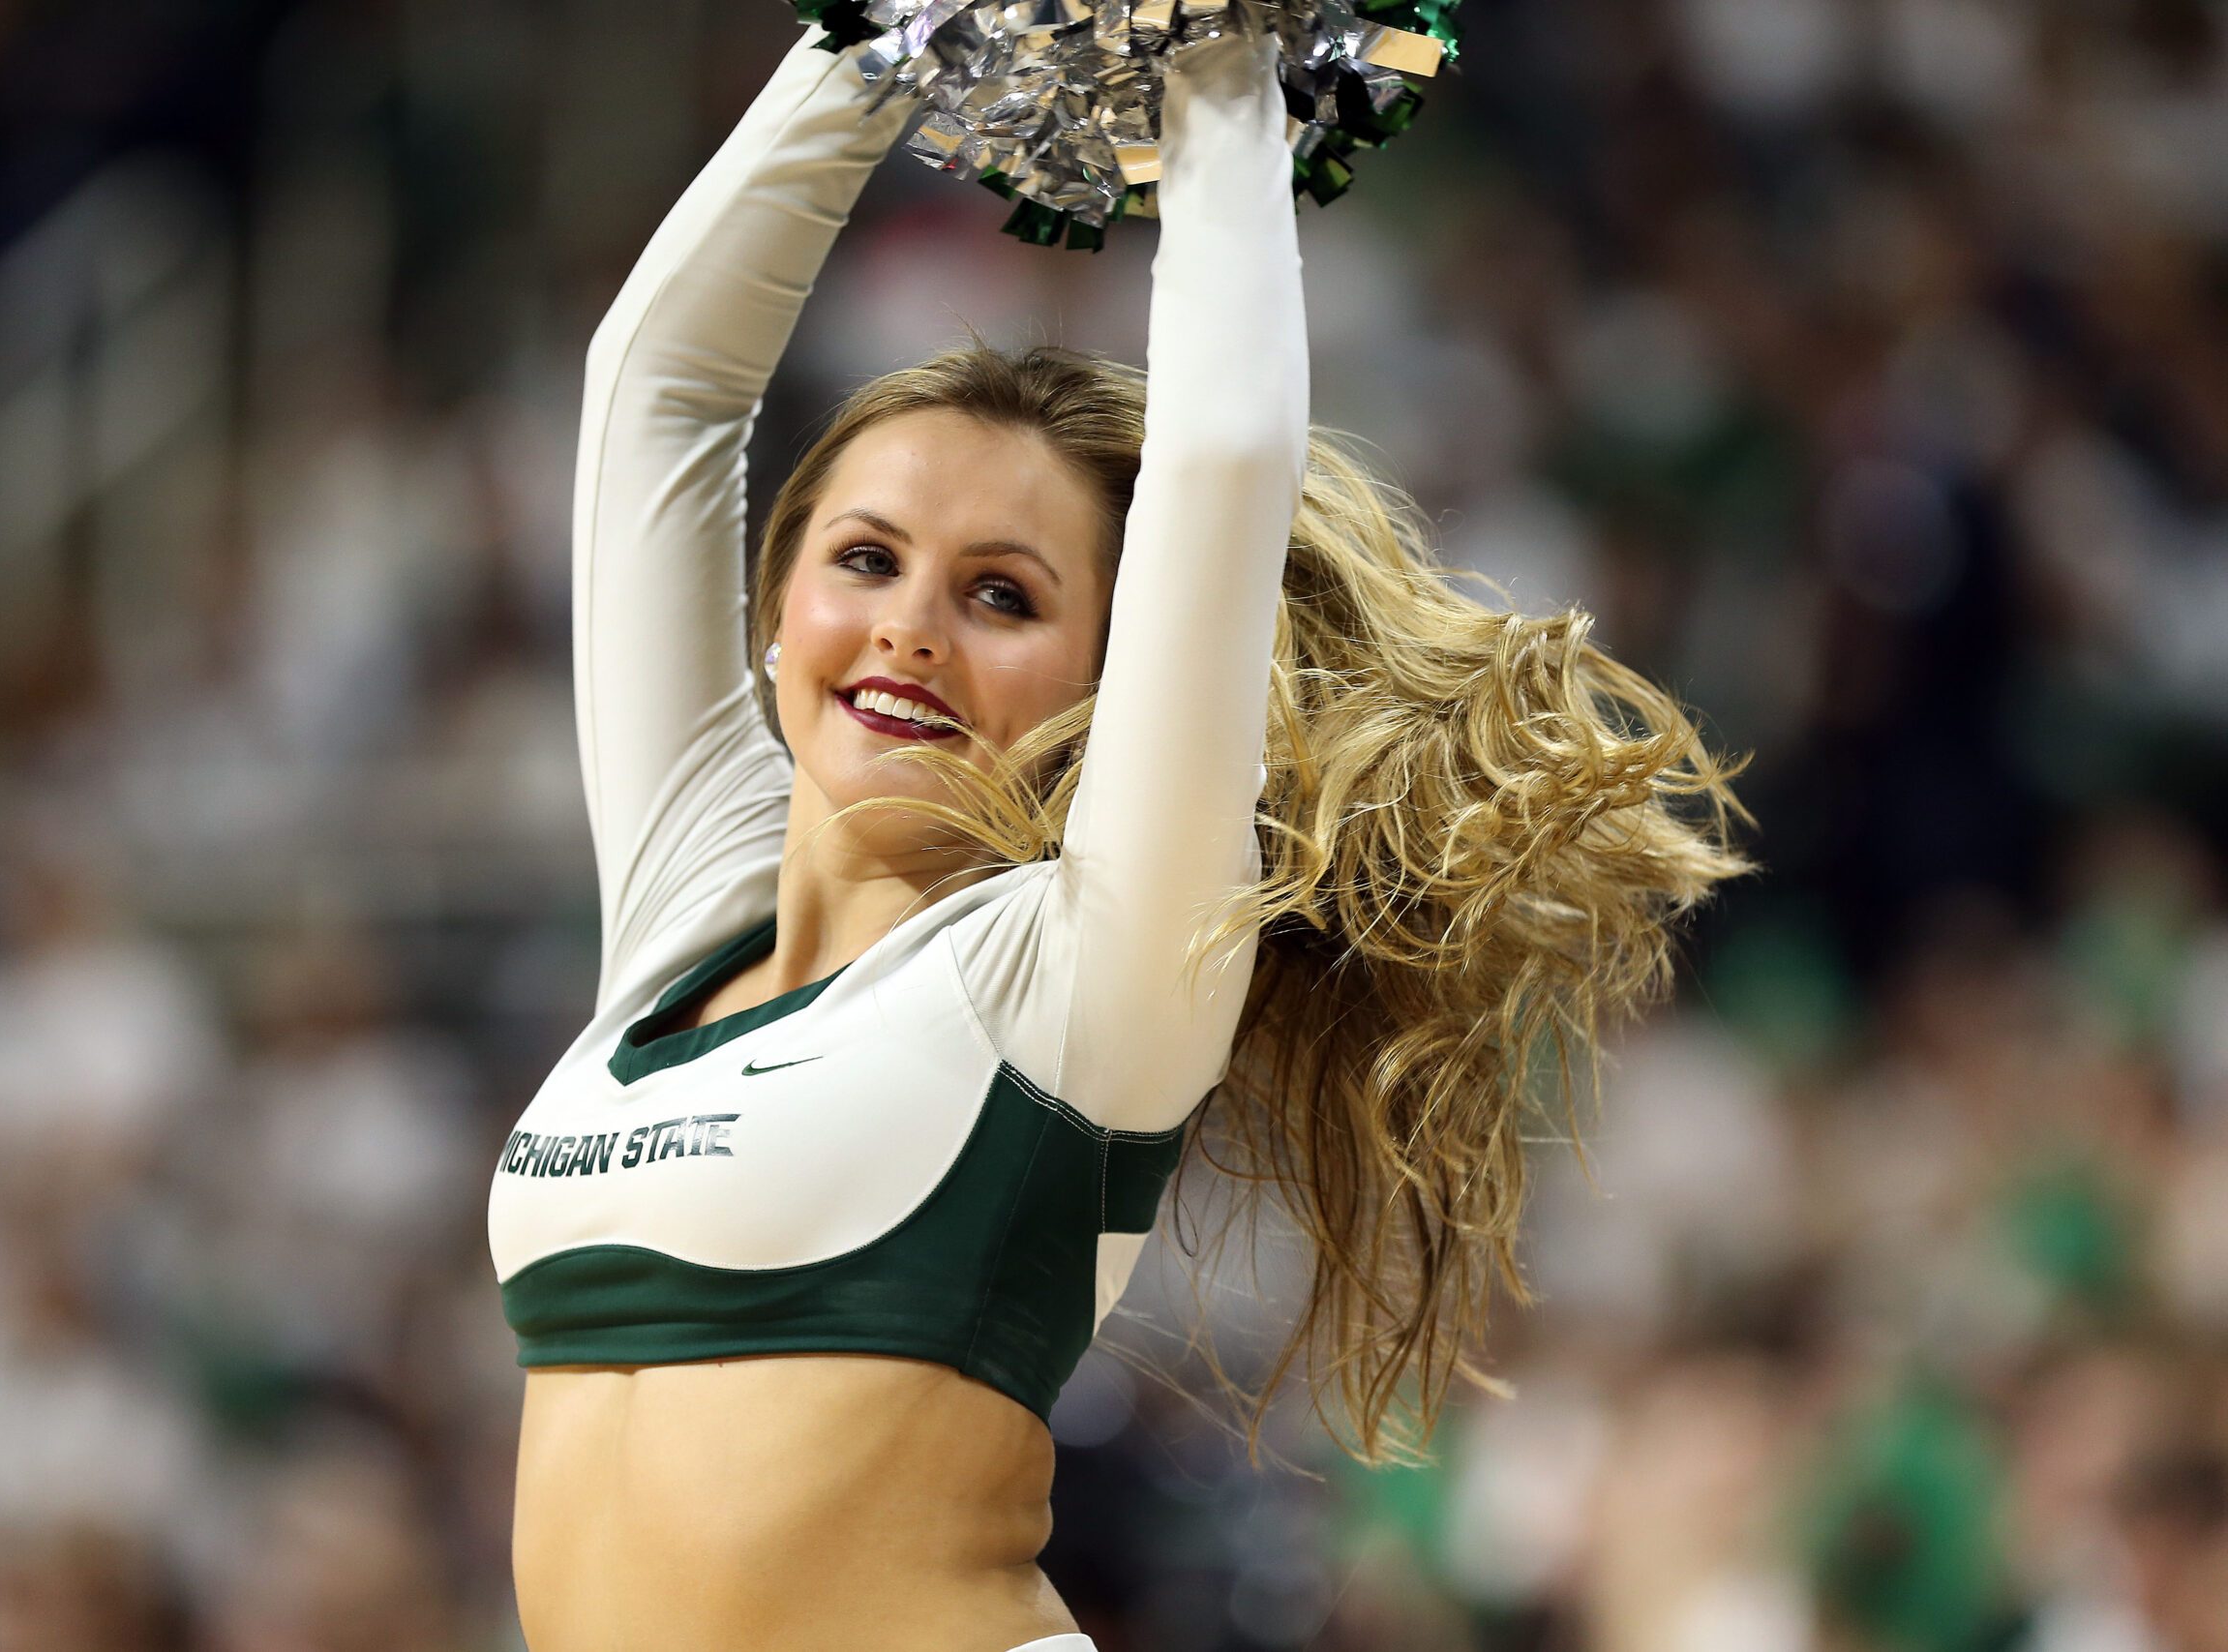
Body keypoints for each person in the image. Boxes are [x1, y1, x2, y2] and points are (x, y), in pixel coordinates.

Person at [489, 15, 1751, 1652]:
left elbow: (1224, 455)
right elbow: (657, 388)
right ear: (780, 592)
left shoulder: (1082, 970)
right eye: (866, 559)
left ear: (1110, 674)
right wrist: (881, 36)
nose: (911, 631)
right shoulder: (685, 905)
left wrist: (1213, 54)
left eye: (1001, 594)